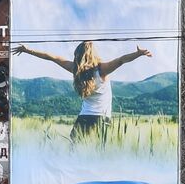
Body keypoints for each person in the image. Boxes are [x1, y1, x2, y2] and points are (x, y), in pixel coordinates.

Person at [12, 41, 152, 143]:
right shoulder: (102, 70)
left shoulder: (75, 69)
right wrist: (138, 54)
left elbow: (52, 57)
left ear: (77, 55)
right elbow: (121, 60)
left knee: (75, 150)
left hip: (84, 117)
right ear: (93, 54)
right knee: (100, 153)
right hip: (103, 119)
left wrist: (28, 50)